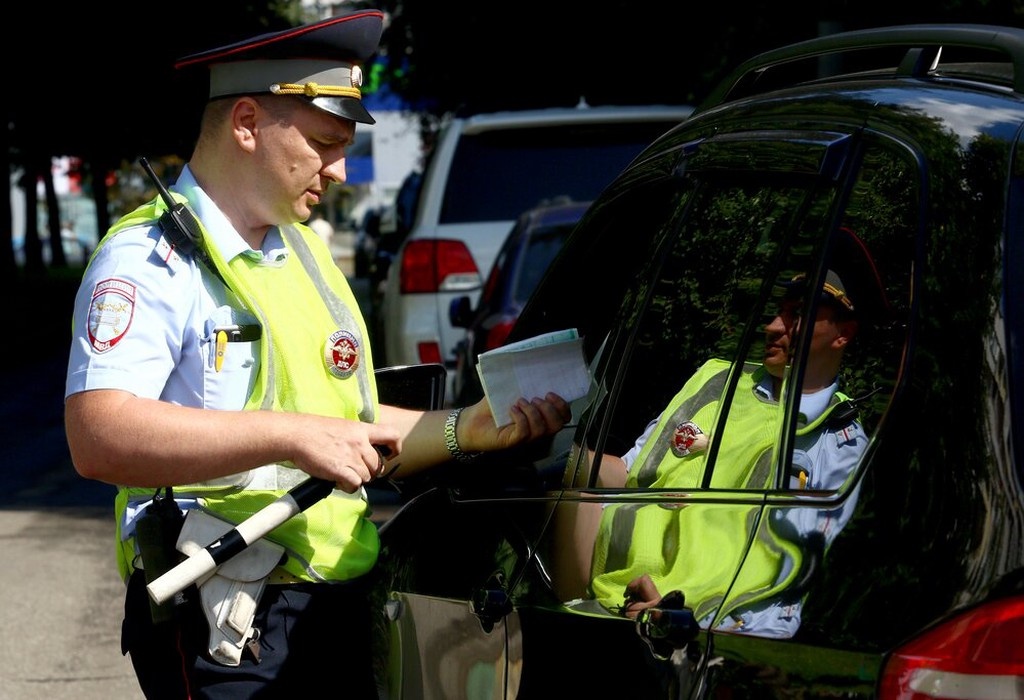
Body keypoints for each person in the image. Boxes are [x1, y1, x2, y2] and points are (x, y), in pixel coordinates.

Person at [63, 10, 570, 699]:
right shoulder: (150, 258)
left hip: (334, 604)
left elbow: (344, 426)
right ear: (246, 122)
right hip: (228, 618)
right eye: (326, 143)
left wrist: (467, 429)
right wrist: (293, 437)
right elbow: (99, 435)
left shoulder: (301, 248)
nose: (339, 169)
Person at [585, 228, 888, 639]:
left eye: (796, 314)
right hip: (603, 603)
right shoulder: (714, 380)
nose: (772, 326)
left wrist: (685, 621)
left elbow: (796, 588)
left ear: (843, 334)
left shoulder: (841, 448)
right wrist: (560, 456)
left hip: (696, 638)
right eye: (778, 310)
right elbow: (626, 473)